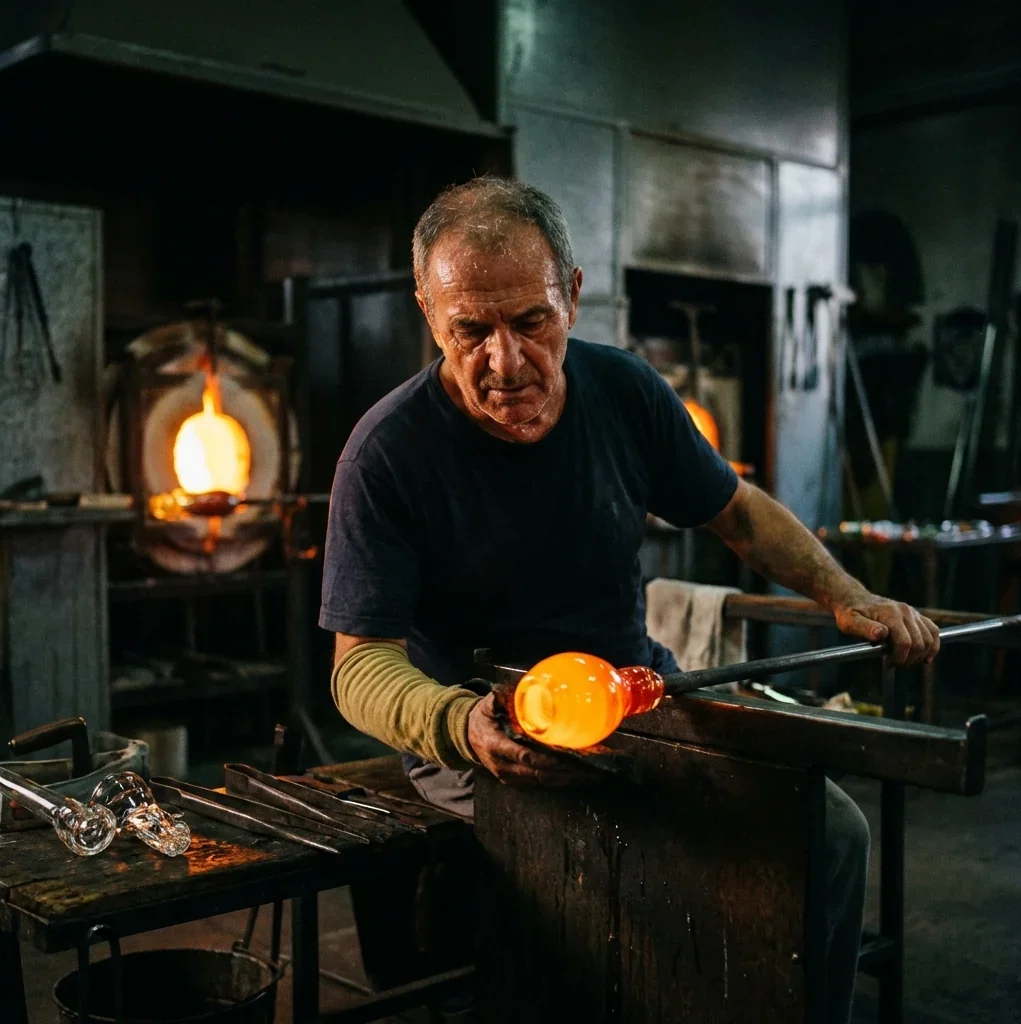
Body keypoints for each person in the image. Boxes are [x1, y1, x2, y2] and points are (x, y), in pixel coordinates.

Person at [319, 176, 940, 1023]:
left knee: (829, 838)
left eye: (530, 322)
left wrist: (847, 591)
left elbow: (738, 513)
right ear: (430, 315)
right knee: (604, 887)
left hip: (638, 699)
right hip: (485, 736)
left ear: (571, 298)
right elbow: (359, 669)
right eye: (471, 330)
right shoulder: (387, 454)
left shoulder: (627, 393)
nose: (505, 363)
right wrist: (458, 724)